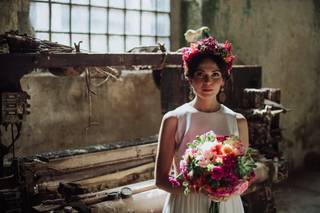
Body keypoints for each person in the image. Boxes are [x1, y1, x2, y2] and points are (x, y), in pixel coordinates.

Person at [155, 36, 249, 213]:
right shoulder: (174, 119)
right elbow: (161, 180)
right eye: (200, 74)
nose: (208, 82)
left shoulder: (238, 121)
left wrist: (229, 190)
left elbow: (242, 176)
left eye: (215, 75)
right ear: (190, 78)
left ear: (223, 80)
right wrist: (200, 188)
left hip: (227, 205)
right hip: (186, 205)